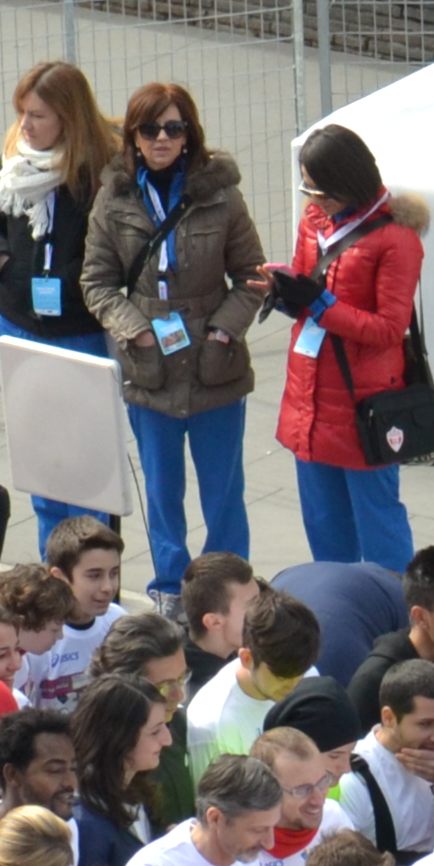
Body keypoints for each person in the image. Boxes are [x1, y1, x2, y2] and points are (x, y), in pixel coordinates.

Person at [85, 88, 269, 598]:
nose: (162, 139)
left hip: (215, 364)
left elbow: (253, 274)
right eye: (150, 130)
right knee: (163, 494)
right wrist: (134, 328)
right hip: (151, 366)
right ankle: (170, 588)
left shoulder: (220, 194)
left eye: (174, 129)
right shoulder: (115, 196)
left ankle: (231, 589)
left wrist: (222, 329)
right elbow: (96, 281)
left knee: (224, 492)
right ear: (133, 137)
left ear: (190, 134)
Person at [261, 126, 426, 569]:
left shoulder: (396, 240)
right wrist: (283, 292)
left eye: (320, 188)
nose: (313, 197)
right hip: (309, 398)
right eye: (306, 186)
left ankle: (394, 616)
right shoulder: (314, 221)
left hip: (363, 405)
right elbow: (304, 285)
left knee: (379, 523)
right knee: (323, 523)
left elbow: (389, 329)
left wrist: (321, 305)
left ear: (349, 179)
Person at [0, 63, 118, 545]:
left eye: (37, 115)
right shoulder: (16, 159)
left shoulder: (103, 174)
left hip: (80, 334)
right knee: (43, 470)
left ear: (68, 119)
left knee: (87, 474)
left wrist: (69, 280)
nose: (25, 126)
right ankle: (52, 578)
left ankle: (94, 583)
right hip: (19, 328)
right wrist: (7, 265)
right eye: (22, 114)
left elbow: (118, 253)